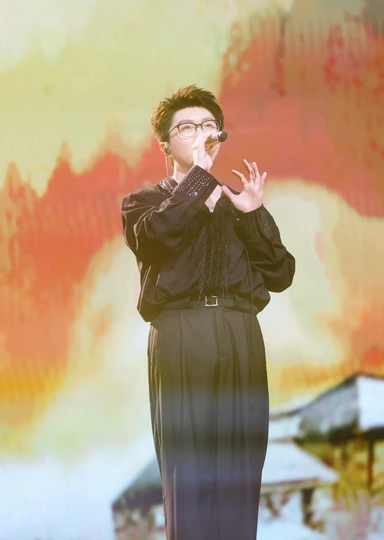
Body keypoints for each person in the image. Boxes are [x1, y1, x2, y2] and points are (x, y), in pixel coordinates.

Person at [120, 85, 295, 540]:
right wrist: (198, 179)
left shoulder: (239, 203)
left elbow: (280, 274)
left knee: (240, 469)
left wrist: (254, 215)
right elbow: (154, 239)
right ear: (164, 144)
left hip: (240, 332)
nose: (200, 133)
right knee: (189, 471)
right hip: (181, 332)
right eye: (186, 127)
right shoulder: (142, 202)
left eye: (208, 125)